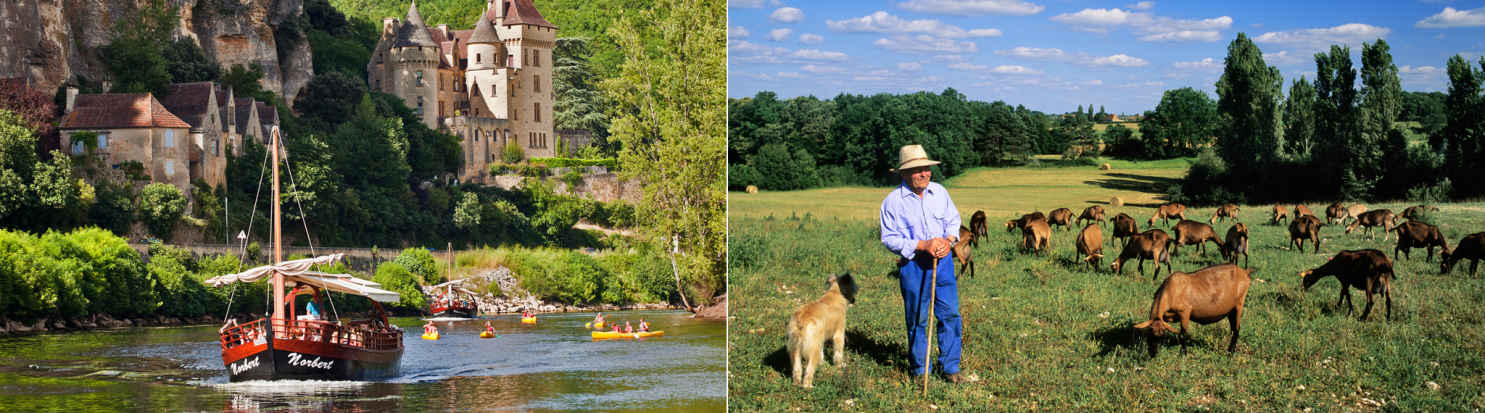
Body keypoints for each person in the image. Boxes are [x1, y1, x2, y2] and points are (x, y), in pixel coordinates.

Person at [879, 144, 965, 384]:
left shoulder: (940, 193)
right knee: (918, 317)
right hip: (914, 265)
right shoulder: (892, 202)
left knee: (950, 314)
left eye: (926, 168)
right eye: (917, 170)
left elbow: (953, 221)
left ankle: (950, 368)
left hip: (944, 261)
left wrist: (947, 241)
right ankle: (920, 371)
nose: (924, 173)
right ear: (904, 174)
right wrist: (922, 245)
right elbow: (889, 238)